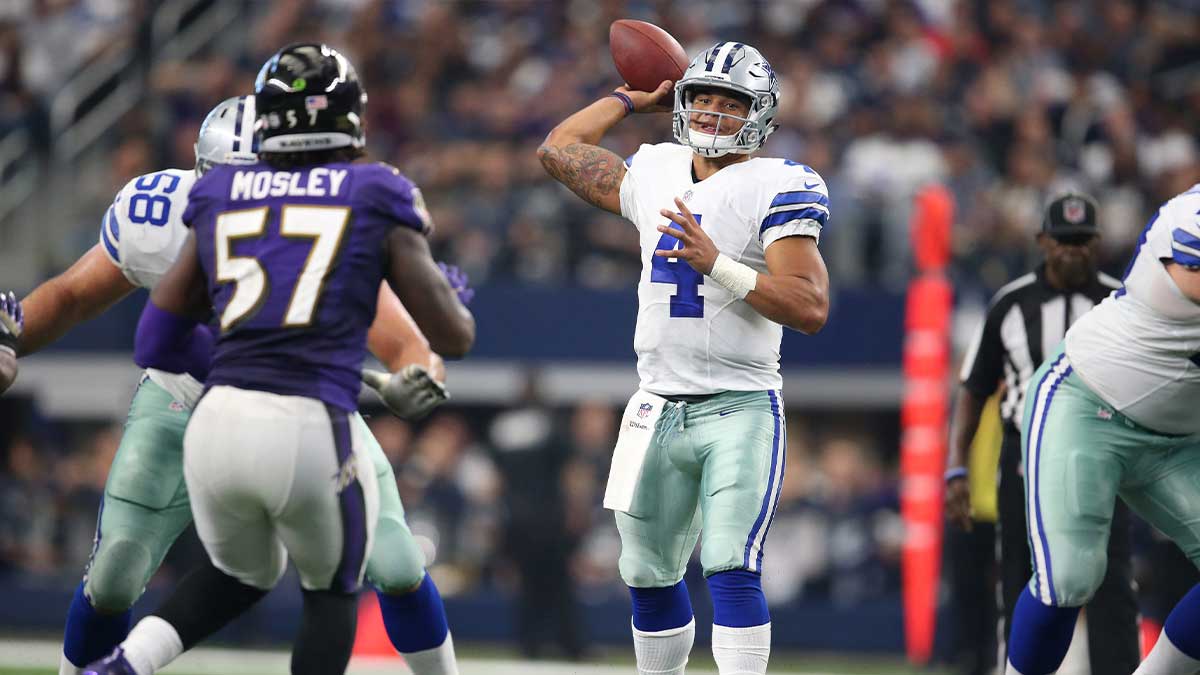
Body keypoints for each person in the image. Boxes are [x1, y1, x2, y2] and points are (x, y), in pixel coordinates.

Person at [0, 53, 469, 675]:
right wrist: (12, 339)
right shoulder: (172, 215)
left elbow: (405, 339)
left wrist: (419, 372)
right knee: (116, 573)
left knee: (397, 562)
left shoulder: (320, 217)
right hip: (190, 401)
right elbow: (72, 296)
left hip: (289, 397)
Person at [538, 41, 830, 675]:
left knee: (729, 561)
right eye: (703, 98)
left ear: (761, 113)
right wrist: (626, 99)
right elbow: (558, 149)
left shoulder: (781, 183)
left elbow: (810, 307)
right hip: (654, 404)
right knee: (644, 571)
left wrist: (719, 264)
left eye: (732, 103)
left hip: (740, 405)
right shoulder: (657, 170)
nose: (714, 114)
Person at [1003, 185, 1200, 675]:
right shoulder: (1191, 214)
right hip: (1088, 403)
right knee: (1069, 576)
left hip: (1179, 439)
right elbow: (1190, 276)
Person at [945, 194, 1137, 673]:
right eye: (1063, 241)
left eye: (1082, 241)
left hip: (1102, 449)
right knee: (1019, 572)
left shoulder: (1123, 301)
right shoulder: (1011, 303)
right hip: (1025, 451)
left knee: (1112, 575)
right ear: (1042, 242)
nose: (1072, 251)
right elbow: (973, 389)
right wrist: (956, 467)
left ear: (1097, 243)